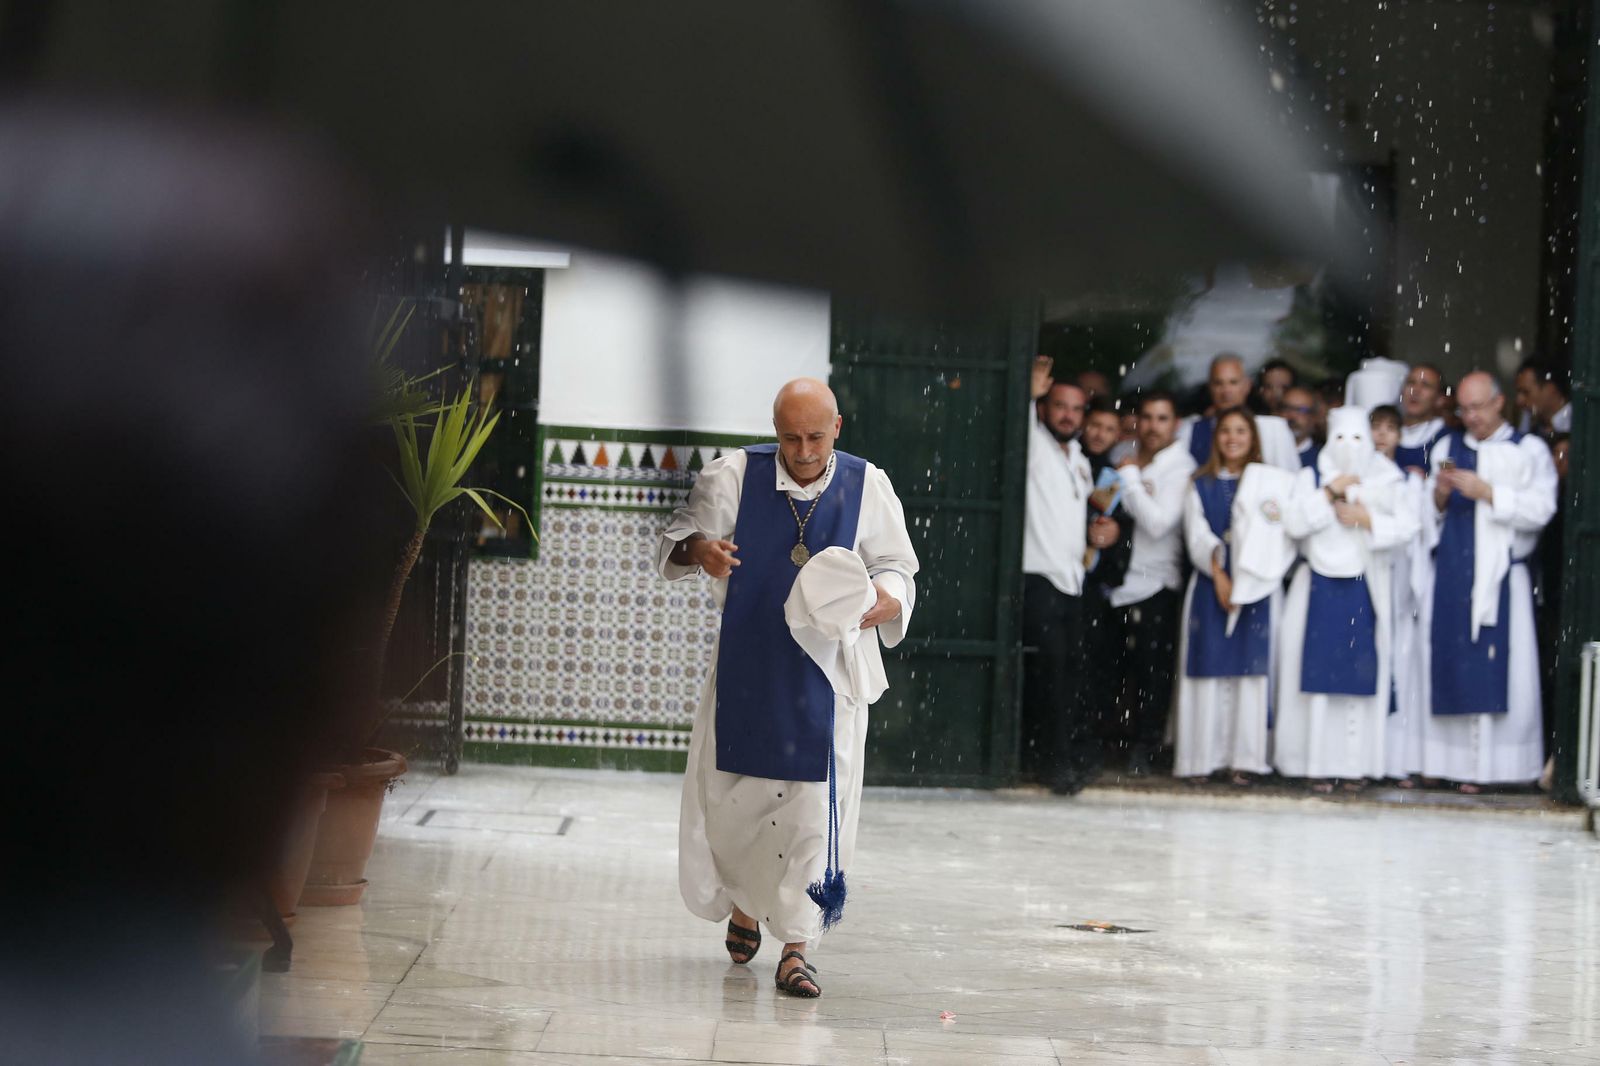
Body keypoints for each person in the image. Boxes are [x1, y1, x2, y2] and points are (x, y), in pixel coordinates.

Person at [658, 378, 919, 997]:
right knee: (738, 807)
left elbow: (896, 565)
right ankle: (746, 906)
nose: (802, 451)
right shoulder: (732, 476)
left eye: (815, 436)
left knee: (813, 811)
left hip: (825, 677)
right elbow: (677, 536)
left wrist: (889, 600)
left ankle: (797, 948)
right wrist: (704, 551)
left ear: (838, 427)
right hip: (749, 668)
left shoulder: (867, 485)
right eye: (789, 437)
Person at [1422, 371, 1558, 792]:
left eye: (1478, 407)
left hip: (1502, 575)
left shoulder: (1529, 449)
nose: (1471, 417)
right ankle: (1452, 764)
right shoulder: (1447, 446)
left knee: (1502, 664)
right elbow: (1433, 501)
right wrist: (1441, 495)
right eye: (1464, 409)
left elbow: (1541, 508)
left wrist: (1490, 493)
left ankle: (1499, 769)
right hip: (1454, 571)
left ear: (1500, 403)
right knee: (1453, 663)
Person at [1274, 407, 1417, 791]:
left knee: (1359, 679)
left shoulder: (1388, 479)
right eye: (1340, 438)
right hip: (1315, 588)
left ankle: (1355, 765)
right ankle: (1314, 762)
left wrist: (1367, 518)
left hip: (1365, 587)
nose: (1349, 448)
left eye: (1357, 439)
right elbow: (1294, 523)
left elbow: (1408, 525)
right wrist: (1331, 492)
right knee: (1315, 683)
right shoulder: (1310, 477)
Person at [1174, 409, 1298, 783]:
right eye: (1225, 431)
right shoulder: (1200, 483)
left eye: (1241, 431)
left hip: (1257, 587)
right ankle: (1201, 757)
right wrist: (1220, 574)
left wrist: (1252, 575)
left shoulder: (1271, 484)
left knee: (1250, 673)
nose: (1232, 438)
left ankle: (1245, 758)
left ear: (1253, 437)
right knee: (1207, 669)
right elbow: (1196, 534)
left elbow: (1282, 533)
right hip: (1211, 585)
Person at [1021, 356, 1105, 794]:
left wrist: (1098, 535)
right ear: (1043, 409)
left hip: (1073, 579)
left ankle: (1073, 757)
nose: (1068, 415)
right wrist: (1030, 391)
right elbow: (1013, 423)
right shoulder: (1032, 443)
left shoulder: (1078, 457)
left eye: (1076, 408)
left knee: (1073, 675)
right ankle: (1052, 765)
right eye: (1059, 406)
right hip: (1040, 578)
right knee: (1048, 677)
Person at [1108, 391, 1197, 775]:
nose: (1152, 426)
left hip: (1157, 583)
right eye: (1146, 417)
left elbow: (1159, 523)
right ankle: (1111, 744)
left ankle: (1145, 750)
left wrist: (1128, 479)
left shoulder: (1181, 468)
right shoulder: (1122, 453)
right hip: (1115, 584)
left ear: (1175, 424)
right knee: (1113, 672)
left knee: (1152, 677)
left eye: (1162, 418)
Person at [1370, 405, 1434, 785]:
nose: (1381, 436)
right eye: (1375, 428)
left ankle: (1395, 757)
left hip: (1401, 580)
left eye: (1389, 428)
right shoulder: (1354, 477)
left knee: (1400, 663)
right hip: (1366, 576)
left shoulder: (1411, 481)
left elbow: (1416, 533)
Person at [1178, 353, 1300, 471]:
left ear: (1247, 386)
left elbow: (1291, 481)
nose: (1226, 391)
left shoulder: (1272, 429)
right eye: (1218, 383)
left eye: (1233, 382)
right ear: (1210, 387)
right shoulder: (1191, 430)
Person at [1394, 363, 1448, 473]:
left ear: (1438, 397)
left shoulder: (1447, 437)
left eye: (1426, 385)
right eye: (1411, 383)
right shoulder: (1385, 430)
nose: (1416, 391)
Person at [1515, 356, 1573, 437]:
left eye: (1526, 392)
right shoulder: (1534, 428)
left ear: (1550, 388)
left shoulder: (1580, 424)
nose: (1519, 400)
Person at [1281, 384, 1322, 469]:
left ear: (1314, 417)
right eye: (1286, 408)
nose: (1292, 416)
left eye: (1301, 410)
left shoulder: (1322, 459)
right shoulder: (1262, 453)